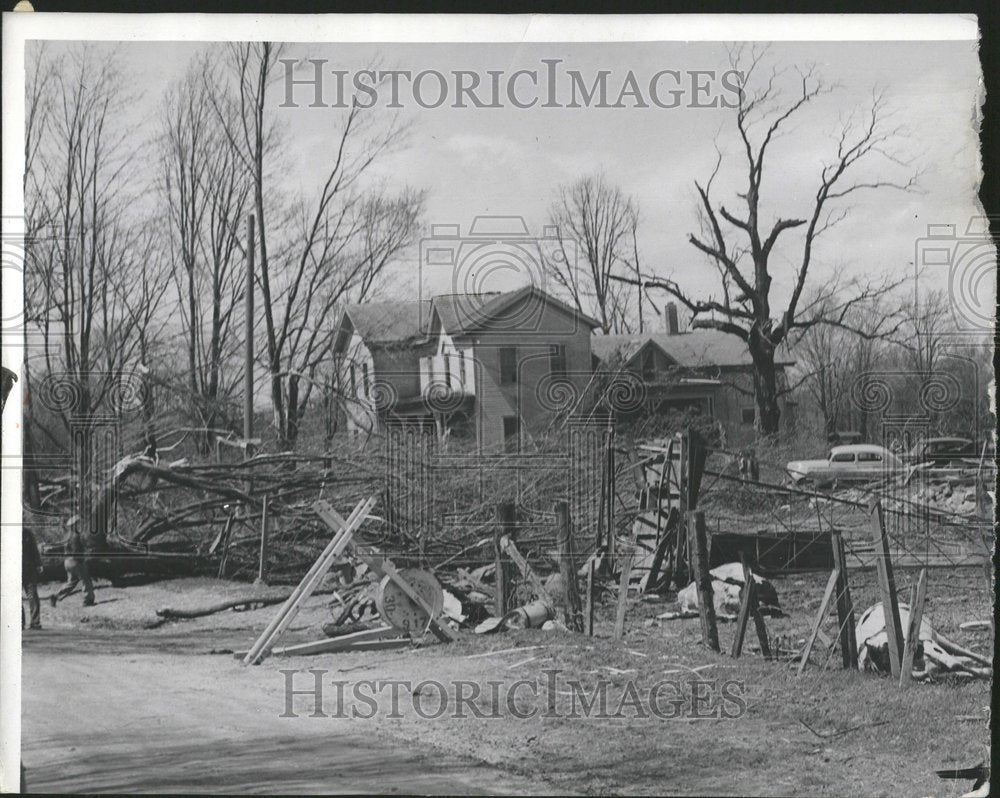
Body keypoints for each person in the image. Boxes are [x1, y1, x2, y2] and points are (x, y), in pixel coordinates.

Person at [50, 518, 95, 607]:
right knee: (86, 581)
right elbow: (76, 551)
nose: (79, 525)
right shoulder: (76, 535)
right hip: (76, 561)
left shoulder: (67, 535)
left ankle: (56, 595)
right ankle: (87, 600)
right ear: (74, 525)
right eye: (77, 523)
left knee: (71, 583)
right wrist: (82, 560)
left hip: (67, 561)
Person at [22, 527, 43, 630]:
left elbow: (34, 549)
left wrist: (39, 564)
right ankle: (19, 622)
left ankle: (35, 622)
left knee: (32, 595)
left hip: (29, 570)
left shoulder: (27, 533)